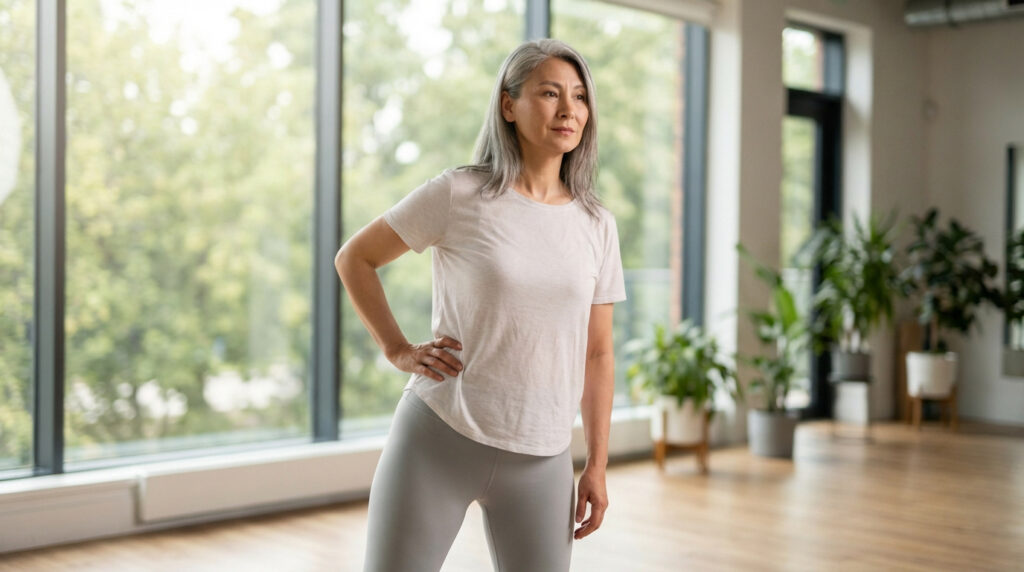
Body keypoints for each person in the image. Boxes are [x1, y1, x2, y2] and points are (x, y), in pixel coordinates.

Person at [335, 38, 627, 572]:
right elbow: (355, 258)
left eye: (580, 97)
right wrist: (397, 349)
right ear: (508, 105)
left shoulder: (596, 224)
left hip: (543, 458)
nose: (569, 110)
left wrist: (597, 466)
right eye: (550, 93)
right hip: (438, 438)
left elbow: (599, 354)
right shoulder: (460, 193)